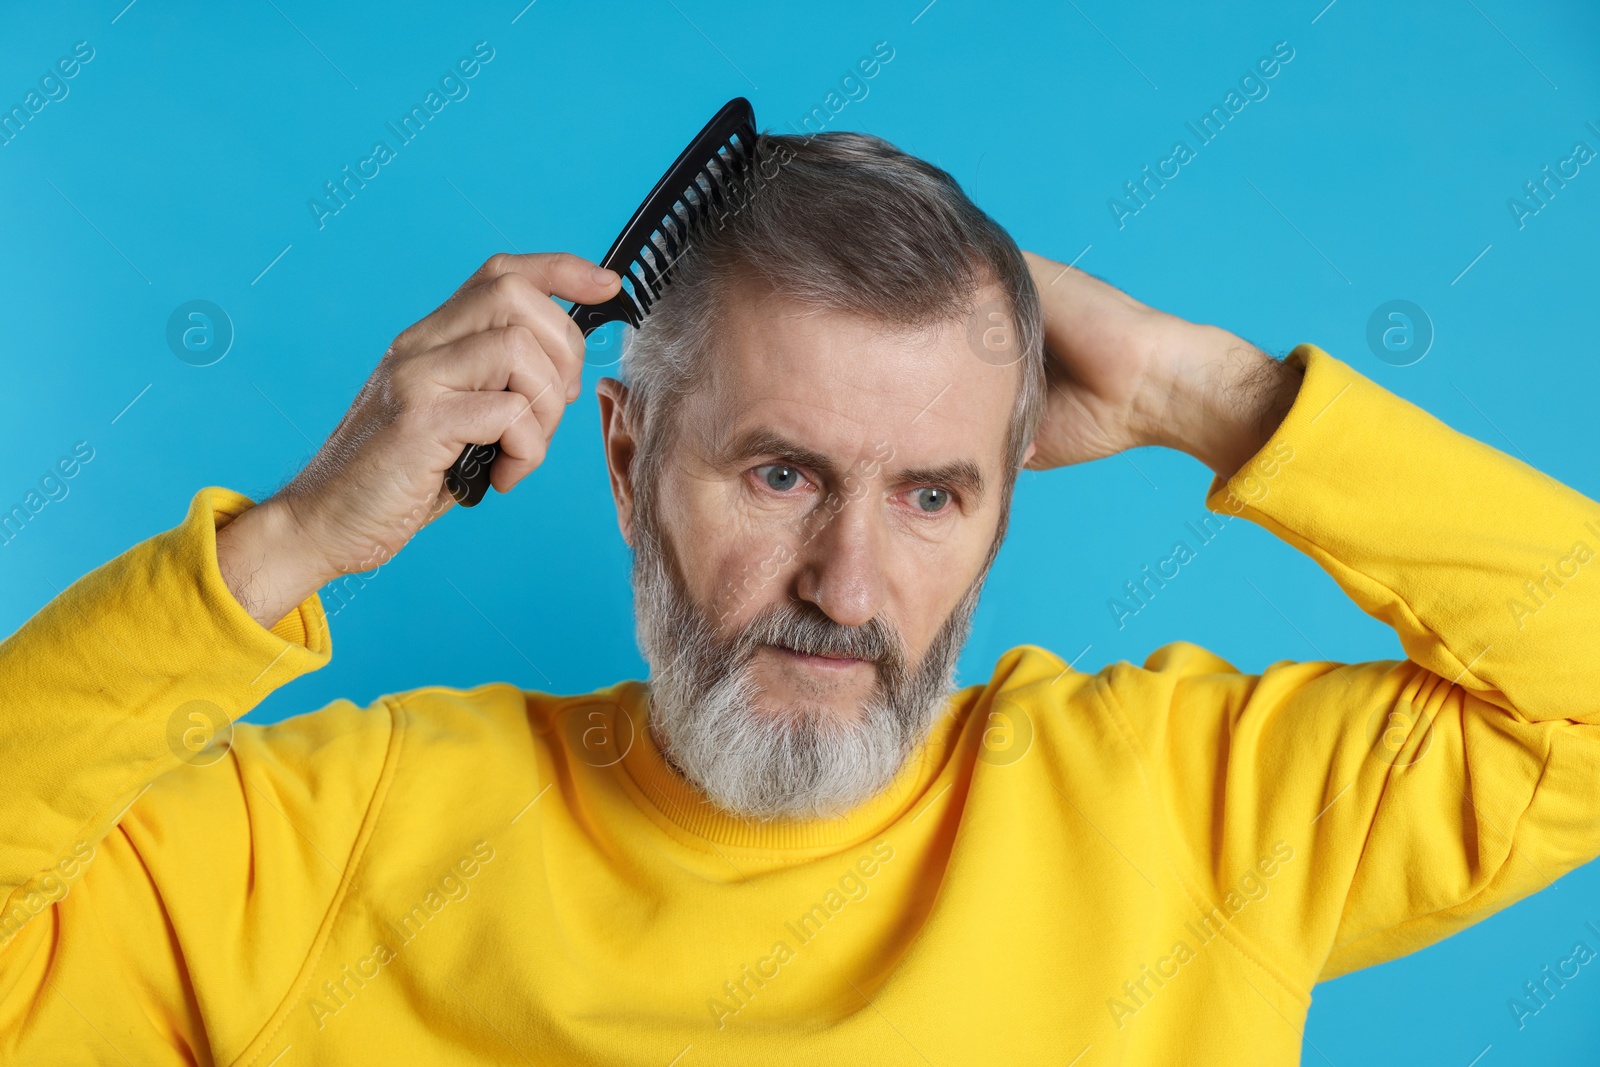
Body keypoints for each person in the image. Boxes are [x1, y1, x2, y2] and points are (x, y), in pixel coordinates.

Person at [3, 130, 1596, 1067]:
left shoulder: (1191, 813)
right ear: (623, 460)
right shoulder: (340, 843)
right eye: (780, 476)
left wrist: (1213, 389)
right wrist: (288, 541)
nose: (849, 585)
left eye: (931, 495)